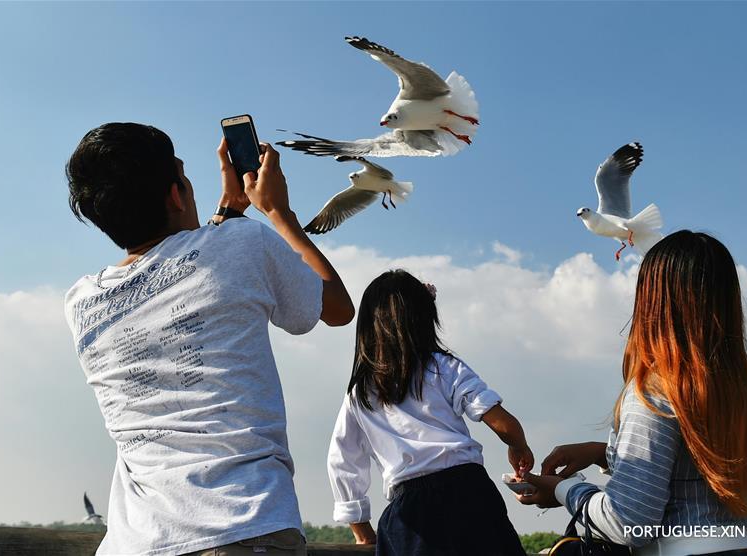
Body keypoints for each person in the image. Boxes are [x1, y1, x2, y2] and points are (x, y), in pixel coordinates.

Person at [63, 122, 354, 556]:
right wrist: (278, 212)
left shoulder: (81, 302)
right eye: (184, 177)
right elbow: (336, 308)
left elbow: (177, 270)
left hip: (136, 543)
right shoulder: (244, 242)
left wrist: (227, 212)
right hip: (242, 525)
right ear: (177, 195)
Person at [517, 231, 747, 555]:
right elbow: (688, 470)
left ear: (654, 303)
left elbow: (629, 523)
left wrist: (563, 490)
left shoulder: (654, 393)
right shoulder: (735, 389)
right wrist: (603, 453)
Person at [327, 270, 530, 556]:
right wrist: (518, 446)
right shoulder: (444, 367)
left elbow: (343, 463)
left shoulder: (360, 393)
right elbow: (501, 421)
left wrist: (362, 532)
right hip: (470, 493)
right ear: (426, 318)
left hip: (410, 512)